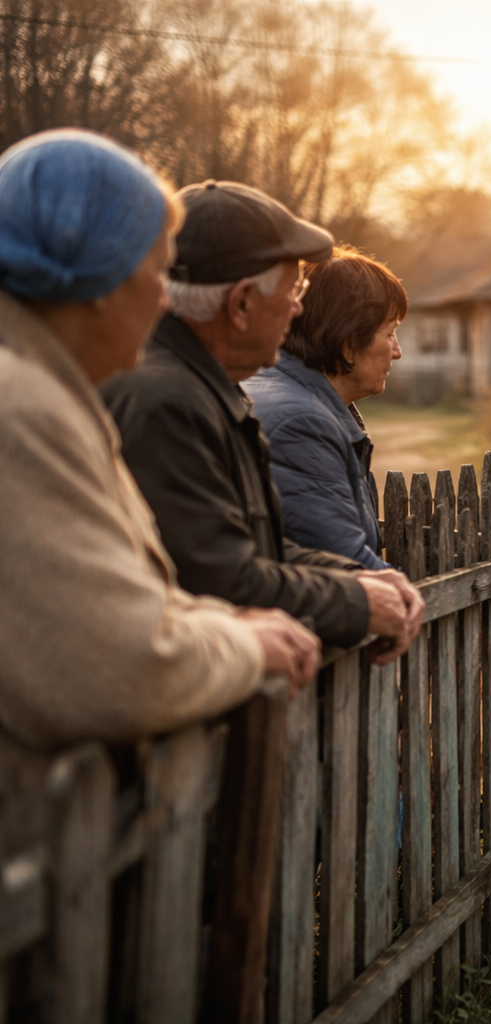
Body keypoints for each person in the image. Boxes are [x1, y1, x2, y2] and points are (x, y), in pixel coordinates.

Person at [0, 130, 319, 751]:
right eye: (154, 269)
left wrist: (216, 622)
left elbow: (121, 595)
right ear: (97, 284)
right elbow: (122, 664)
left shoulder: (49, 391)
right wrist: (245, 644)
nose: (162, 295)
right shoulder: (23, 408)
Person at [101, 181, 422, 663]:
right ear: (242, 304)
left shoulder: (204, 385)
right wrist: (354, 599)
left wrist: (352, 578)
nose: (298, 308)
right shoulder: (168, 402)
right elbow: (219, 579)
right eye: (291, 290)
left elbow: (255, 548)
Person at [245, 245, 405, 568]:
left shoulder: (277, 385)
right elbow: (343, 565)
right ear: (348, 344)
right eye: (390, 334)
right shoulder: (301, 424)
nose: (397, 352)